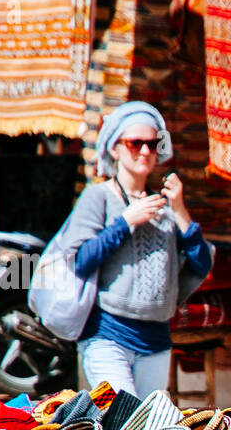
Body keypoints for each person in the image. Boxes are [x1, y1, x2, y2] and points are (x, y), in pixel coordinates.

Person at [62, 101, 214, 397]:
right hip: (106, 337)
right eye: (135, 143)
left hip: (156, 343)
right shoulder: (99, 197)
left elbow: (201, 263)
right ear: (115, 149)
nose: (145, 151)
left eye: (152, 144)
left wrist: (181, 211)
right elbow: (80, 260)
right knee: (124, 422)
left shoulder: (166, 206)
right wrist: (126, 222)